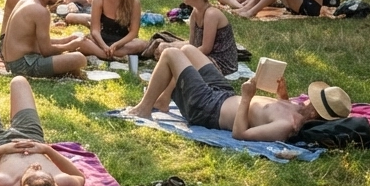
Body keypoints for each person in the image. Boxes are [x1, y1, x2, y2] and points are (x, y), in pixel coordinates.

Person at [125, 45, 351, 141]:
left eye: (314, 102)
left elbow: (240, 134)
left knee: (172, 54)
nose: (308, 100)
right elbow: (270, 110)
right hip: (223, 94)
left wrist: (246, 97)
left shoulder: (287, 126)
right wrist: (282, 95)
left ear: (316, 114)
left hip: (208, 108)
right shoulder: (297, 109)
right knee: (188, 50)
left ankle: (144, 109)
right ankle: (163, 102)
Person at [1, 0, 88, 78]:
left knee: (70, 62)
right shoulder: (41, 11)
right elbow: (46, 51)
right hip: (22, 65)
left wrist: (67, 39)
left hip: (12, 61)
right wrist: (71, 45)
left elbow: (37, 41)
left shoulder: (25, 0)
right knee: (79, 59)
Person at [157, 0, 238, 76]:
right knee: (168, 52)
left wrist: (181, 55)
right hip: (204, 56)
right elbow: (192, 44)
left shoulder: (211, 14)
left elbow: (206, 48)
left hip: (221, 62)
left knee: (179, 65)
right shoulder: (195, 13)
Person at [78, 0, 151, 61]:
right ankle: (107, 54)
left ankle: (105, 53)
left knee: (142, 44)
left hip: (123, 42)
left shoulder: (134, 1)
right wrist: (104, 46)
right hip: (101, 40)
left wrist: (116, 45)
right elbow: (94, 30)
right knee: (79, 40)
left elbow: (134, 32)